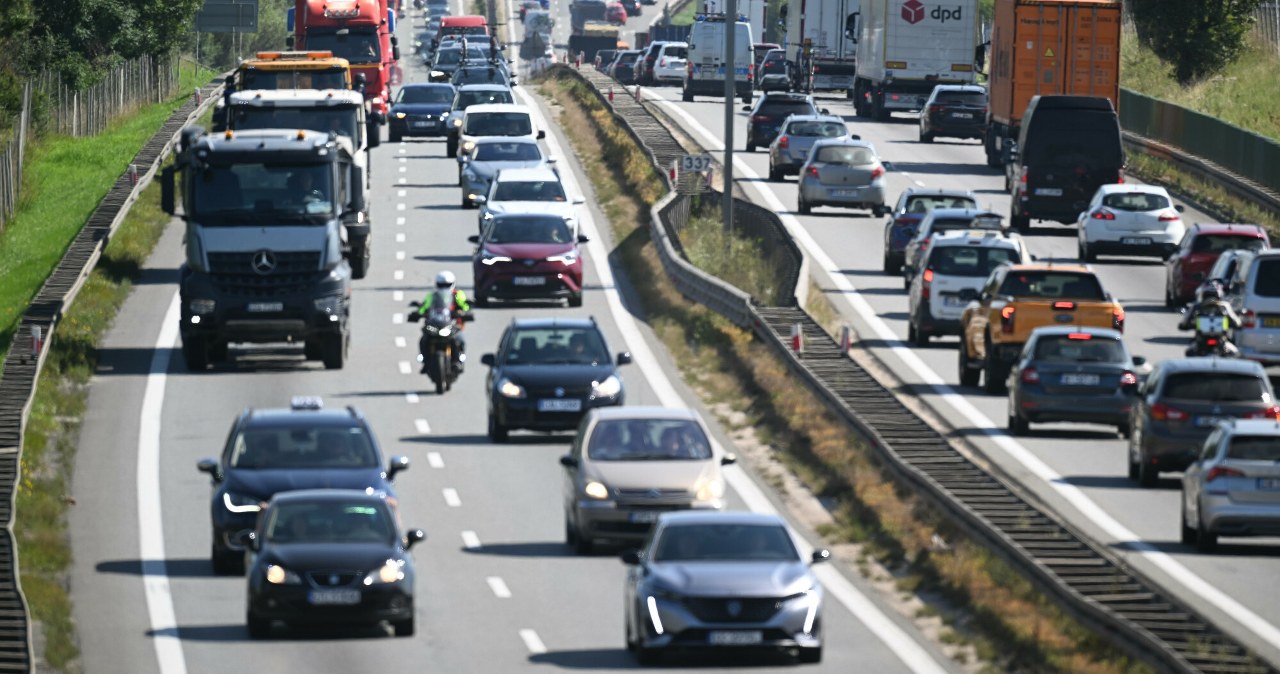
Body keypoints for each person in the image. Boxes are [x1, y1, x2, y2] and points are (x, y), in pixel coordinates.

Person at [417, 270, 472, 372]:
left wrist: (464, 312)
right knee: (423, 340)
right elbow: (424, 307)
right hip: (435, 323)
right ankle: (426, 361)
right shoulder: (432, 295)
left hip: (451, 324)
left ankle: (457, 361)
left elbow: (465, 306)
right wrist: (418, 313)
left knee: (460, 340)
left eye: (447, 285)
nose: (444, 287)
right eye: (441, 285)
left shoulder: (458, 294)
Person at [1178, 283, 1241, 356]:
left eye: (1213, 296)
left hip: (1221, 341)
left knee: (1235, 354)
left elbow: (1235, 320)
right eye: (1209, 296)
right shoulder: (1197, 307)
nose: (1211, 299)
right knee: (1190, 352)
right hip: (1201, 342)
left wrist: (1236, 323)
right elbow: (1186, 320)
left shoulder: (1224, 306)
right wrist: (1185, 324)